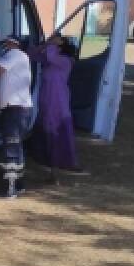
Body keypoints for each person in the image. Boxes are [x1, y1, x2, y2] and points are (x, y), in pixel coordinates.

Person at [29, 33, 80, 180]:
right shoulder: (50, 60)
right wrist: (45, 44)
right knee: (46, 131)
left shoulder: (66, 61)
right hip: (46, 99)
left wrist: (51, 43)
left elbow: (51, 56)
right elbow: (32, 54)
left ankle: (61, 164)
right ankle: (49, 163)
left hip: (59, 101)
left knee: (58, 132)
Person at [0, 37, 33, 197]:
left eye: (6, 43)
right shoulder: (19, 57)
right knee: (16, 147)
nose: (4, 46)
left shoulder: (15, 54)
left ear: (13, 44)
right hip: (19, 108)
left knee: (11, 148)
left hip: (15, 108)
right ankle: (18, 184)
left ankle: (9, 189)